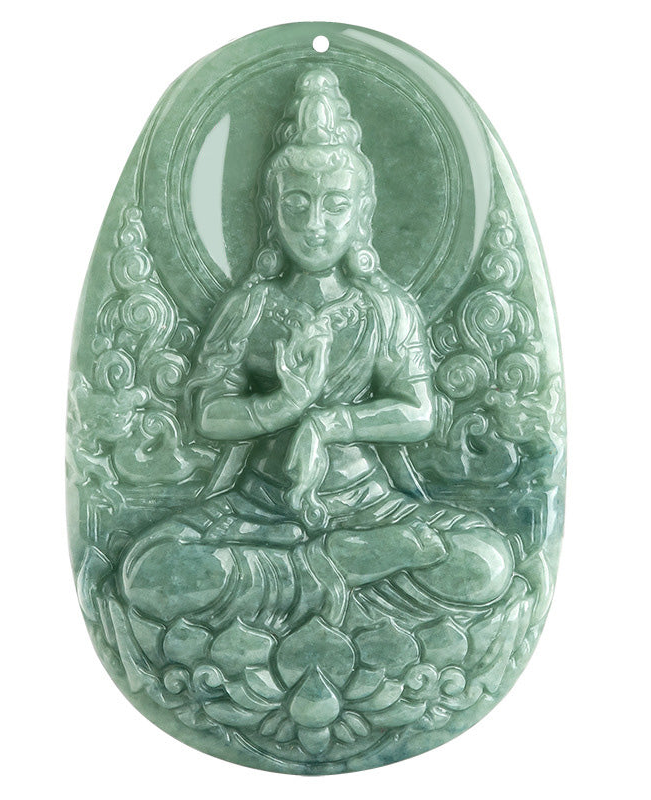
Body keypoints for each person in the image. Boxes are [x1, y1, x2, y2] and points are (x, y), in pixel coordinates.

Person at [119, 68, 515, 635]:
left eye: (335, 206)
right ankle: (341, 563)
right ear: (271, 209)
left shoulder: (386, 309)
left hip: (369, 504)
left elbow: (418, 413)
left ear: (362, 213)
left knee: (486, 561)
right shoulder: (251, 307)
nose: (314, 225)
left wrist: (328, 424)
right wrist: (281, 405)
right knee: (148, 571)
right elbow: (207, 414)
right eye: (297, 205)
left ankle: (314, 572)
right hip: (260, 508)